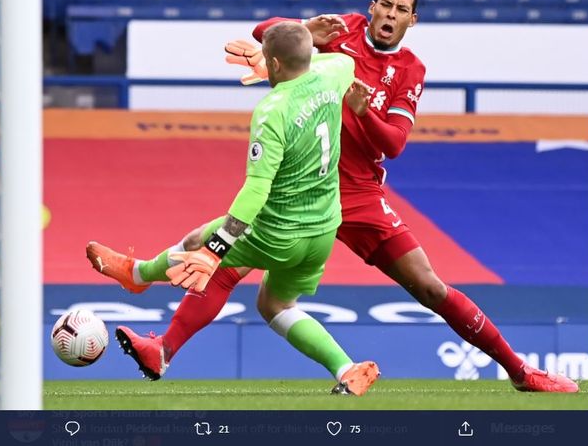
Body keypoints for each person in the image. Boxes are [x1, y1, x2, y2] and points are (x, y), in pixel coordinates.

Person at [94, 0, 579, 393]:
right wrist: (307, 27)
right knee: (226, 264)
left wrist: (365, 114)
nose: (390, 14)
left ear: (413, 20)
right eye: (384, 4)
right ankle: (151, 313)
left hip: (360, 194)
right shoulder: (341, 32)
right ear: (371, 8)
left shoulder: (409, 69)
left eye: (401, 10)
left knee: (428, 286)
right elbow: (269, 34)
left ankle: (519, 371)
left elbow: (394, 144)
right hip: (303, 188)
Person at [88, 22, 381, 396]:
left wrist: (216, 249)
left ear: (272, 62)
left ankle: (138, 274)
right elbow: (334, 60)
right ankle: (346, 369)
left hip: (277, 230)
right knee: (276, 304)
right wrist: (293, 47)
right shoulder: (336, 71)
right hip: (323, 229)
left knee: (199, 244)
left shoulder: (273, 110)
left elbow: (256, 190)